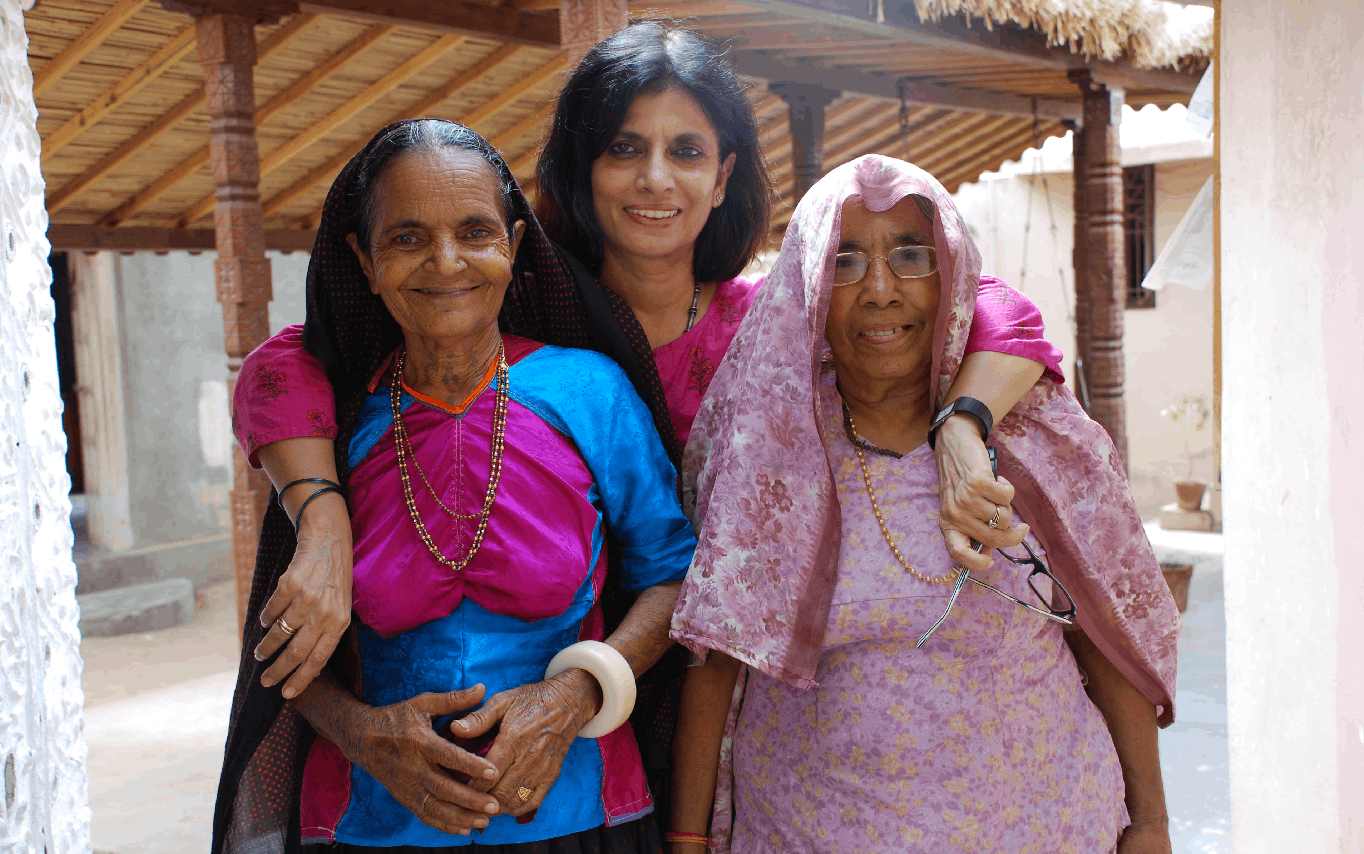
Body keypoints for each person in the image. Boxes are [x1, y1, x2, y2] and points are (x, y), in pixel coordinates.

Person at [224, 21, 1064, 842]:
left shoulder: (771, 331)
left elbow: (991, 309)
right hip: (540, 727)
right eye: (623, 148)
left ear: (724, 174)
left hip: (711, 705)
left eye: (686, 151)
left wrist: (963, 422)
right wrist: (323, 514)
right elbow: (278, 366)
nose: (654, 178)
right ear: (580, 170)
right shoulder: (513, 306)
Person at [668, 155, 1180, 854]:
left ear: (952, 276)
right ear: (810, 289)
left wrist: (1150, 822)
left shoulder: (1032, 434)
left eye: (912, 257)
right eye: (844, 262)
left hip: (1046, 826)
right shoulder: (776, 450)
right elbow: (718, 655)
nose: (881, 290)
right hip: (809, 830)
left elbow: (1104, 627)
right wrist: (689, 842)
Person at [215, 120, 698, 853]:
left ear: (512, 245)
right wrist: (363, 734)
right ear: (364, 262)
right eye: (406, 238)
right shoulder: (335, 420)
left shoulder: (587, 392)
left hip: (579, 817)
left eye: (475, 232)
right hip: (370, 826)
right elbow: (283, 646)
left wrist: (576, 694)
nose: (446, 263)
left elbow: (675, 577)